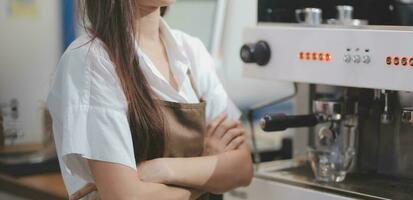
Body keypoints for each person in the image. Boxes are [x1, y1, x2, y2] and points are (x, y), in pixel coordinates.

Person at [47, 0, 253, 199]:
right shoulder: (91, 59)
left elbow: (242, 168)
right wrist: (207, 171)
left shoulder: (192, 51)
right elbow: (127, 198)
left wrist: (160, 169)